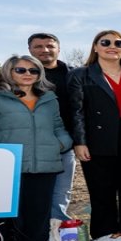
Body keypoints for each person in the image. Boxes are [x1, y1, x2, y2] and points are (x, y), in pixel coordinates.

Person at [0, 56, 72, 241]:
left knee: (38, 211)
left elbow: (58, 127)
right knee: (6, 212)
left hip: (44, 163)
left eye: (33, 70)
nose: (28, 74)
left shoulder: (49, 99)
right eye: (21, 70)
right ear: (8, 71)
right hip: (8, 165)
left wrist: (61, 144)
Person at [67, 30, 121, 241]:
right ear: (95, 47)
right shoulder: (80, 74)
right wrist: (80, 142)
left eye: (118, 43)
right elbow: (76, 111)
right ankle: (104, 236)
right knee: (101, 191)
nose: (112, 46)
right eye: (105, 42)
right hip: (98, 138)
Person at [28, 33, 75, 225]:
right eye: (38, 46)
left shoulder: (74, 74)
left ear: (58, 49)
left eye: (49, 46)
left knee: (62, 190)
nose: (44, 50)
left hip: (65, 143)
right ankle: (34, 231)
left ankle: (57, 227)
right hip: (32, 144)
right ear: (30, 50)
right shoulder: (20, 74)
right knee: (34, 192)